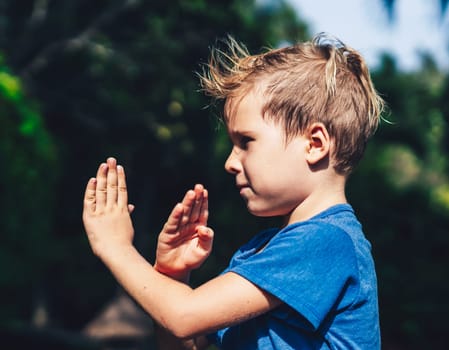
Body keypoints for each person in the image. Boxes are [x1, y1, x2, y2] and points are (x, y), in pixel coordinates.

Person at [82, 33, 384, 349]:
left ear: (315, 144)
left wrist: (114, 246)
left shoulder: (325, 242)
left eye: (246, 142)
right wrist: (173, 275)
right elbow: (183, 335)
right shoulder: (264, 250)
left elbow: (183, 315)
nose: (230, 162)